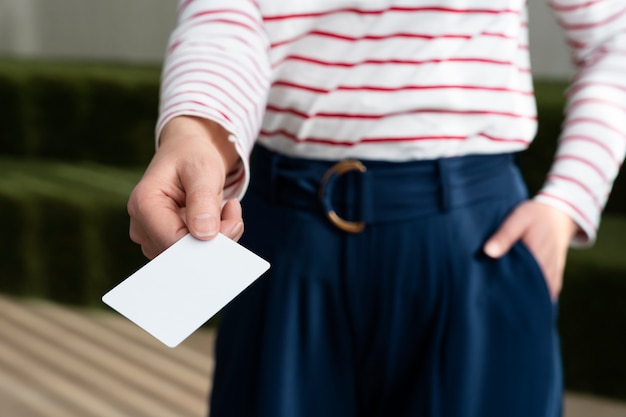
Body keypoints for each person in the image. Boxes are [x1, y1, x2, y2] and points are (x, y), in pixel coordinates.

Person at [128, 1, 626, 416]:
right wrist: (194, 131)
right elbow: (227, 11)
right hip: (284, 234)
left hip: (473, 242)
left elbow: (614, 33)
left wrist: (568, 201)